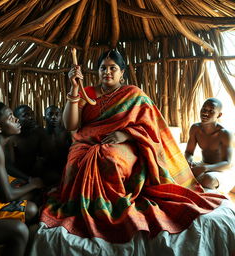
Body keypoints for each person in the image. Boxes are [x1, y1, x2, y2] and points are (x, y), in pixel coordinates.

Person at [40, 50, 224, 244]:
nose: (107, 72)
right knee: (75, 163)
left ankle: (112, 206)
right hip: (85, 144)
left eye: (113, 68)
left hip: (125, 143)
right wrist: (75, 88)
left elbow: (150, 127)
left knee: (109, 160)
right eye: (103, 68)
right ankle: (87, 206)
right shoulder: (88, 93)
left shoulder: (133, 94)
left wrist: (126, 134)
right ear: (97, 71)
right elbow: (71, 125)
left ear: (122, 73)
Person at [0, 102, 44, 254]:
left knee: (31, 208)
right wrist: (33, 184)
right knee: (20, 230)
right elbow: (6, 196)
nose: (17, 120)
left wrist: (26, 183)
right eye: (10, 118)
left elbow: (5, 172)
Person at [185, 98, 235, 193]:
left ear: (219, 115)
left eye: (211, 111)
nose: (205, 113)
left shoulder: (225, 133)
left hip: (222, 170)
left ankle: (193, 187)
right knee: (175, 170)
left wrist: (205, 168)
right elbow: (188, 152)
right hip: (203, 165)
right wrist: (189, 161)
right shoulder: (195, 128)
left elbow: (227, 164)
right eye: (204, 109)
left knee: (208, 179)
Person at [5, 105, 46, 180]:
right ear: (17, 119)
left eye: (32, 114)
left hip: (37, 173)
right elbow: (9, 167)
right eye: (25, 115)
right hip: (18, 175)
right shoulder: (11, 138)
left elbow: (44, 156)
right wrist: (28, 179)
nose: (31, 117)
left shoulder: (39, 132)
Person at [41, 105, 71, 187]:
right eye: (50, 114)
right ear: (44, 118)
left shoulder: (66, 133)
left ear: (61, 117)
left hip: (64, 167)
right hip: (48, 168)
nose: (54, 117)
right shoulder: (40, 134)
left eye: (57, 114)